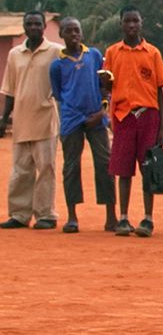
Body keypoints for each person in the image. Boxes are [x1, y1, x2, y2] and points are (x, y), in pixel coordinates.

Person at [102, 5, 163, 237]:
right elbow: (107, 85)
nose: (131, 25)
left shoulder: (152, 53)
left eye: (135, 21)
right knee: (123, 170)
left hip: (149, 116)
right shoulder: (112, 53)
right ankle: (123, 218)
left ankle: (148, 219)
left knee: (148, 169)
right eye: (127, 21)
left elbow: (160, 90)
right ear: (120, 24)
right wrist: (103, 84)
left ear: (141, 23)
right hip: (123, 116)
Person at [49, 17, 117, 233]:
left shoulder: (94, 56)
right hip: (71, 119)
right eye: (68, 31)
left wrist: (102, 110)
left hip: (96, 116)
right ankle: (72, 216)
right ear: (61, 35)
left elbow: (104, 85)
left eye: (77, 30)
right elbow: (59, 93)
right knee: (71, 166)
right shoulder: (57, 65)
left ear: (82, 33)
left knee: (105, 163)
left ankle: (111, 215)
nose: (73, 34)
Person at [0, 11, 62, 230]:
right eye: (30, 24)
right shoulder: (15, 54)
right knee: (20, 169)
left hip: (46, 119)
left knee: (46, 168)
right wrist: (4, 118)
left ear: (44, 27)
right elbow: (9, 90)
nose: (34, 27)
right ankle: (19, 214)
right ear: (24, 27)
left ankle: (46, 214)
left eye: (38, 24)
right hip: (22, 119)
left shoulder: (55, 51)